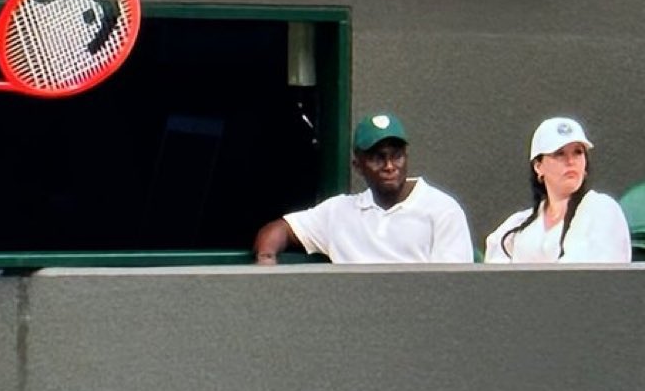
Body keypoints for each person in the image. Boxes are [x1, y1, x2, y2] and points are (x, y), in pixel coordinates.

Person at [253, 112, 474, 264]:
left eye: (397, 156)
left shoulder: (442, 209)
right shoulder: (338, 212)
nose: (389, 166)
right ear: (358, 166)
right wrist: (266, 260)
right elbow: (279, 230)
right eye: (378, 158)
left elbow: (453, 287)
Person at [484, 117, 631, 264]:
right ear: (538, 166)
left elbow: (591, 272)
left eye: (578, 152)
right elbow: (494, 268)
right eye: (559, 154)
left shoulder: (601, 209)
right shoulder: (518, 224)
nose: (571, 161)